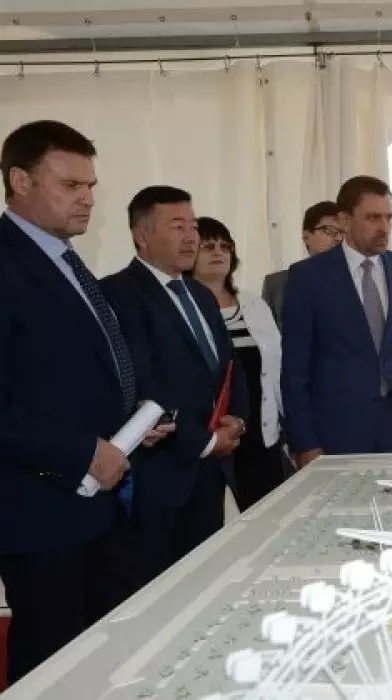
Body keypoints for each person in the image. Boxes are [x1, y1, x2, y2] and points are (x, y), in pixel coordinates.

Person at [0, 121, 172, 683]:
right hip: (40, 511)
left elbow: (72, 375)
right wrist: (83, 451)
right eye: (71, 185)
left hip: (102, 505)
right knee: (53, 667)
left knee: (107, 659)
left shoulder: (68, 263)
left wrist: (130, 424)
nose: (88, 199)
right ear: (20, 180)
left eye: (91, 185)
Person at [101, 186, 249, 585]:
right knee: (158, 591)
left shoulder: (201, 295)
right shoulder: (118, 293)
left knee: (204, 584)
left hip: (210, 475)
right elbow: (139, 383)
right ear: (142, 236)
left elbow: (228, 367)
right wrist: (204, 442)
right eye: (177, 226)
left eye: (194, 226)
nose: (191, 237)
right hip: (158, 477)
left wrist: (237, 421)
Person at [282, 176, 392, 467]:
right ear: (344, 220)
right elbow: (295, 370)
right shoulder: (308, 277)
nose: (384, 227)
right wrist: (305, 442)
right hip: (337, 434)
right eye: (373, 218)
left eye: (389, 217)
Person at [189, 216, 286, 510]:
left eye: (225, 246)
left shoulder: (254, 305)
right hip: (210, 435)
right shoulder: (184, 308)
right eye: (208, 246)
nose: (218, 252)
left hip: (261, 432)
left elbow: (277, 369)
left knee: (265, 514)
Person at [261, 201, 343, 331]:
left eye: (343, 232)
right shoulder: (277, 284)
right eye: (329, 231)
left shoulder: (358, 281)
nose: (339, 238)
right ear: (306, 236)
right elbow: (266, 335)